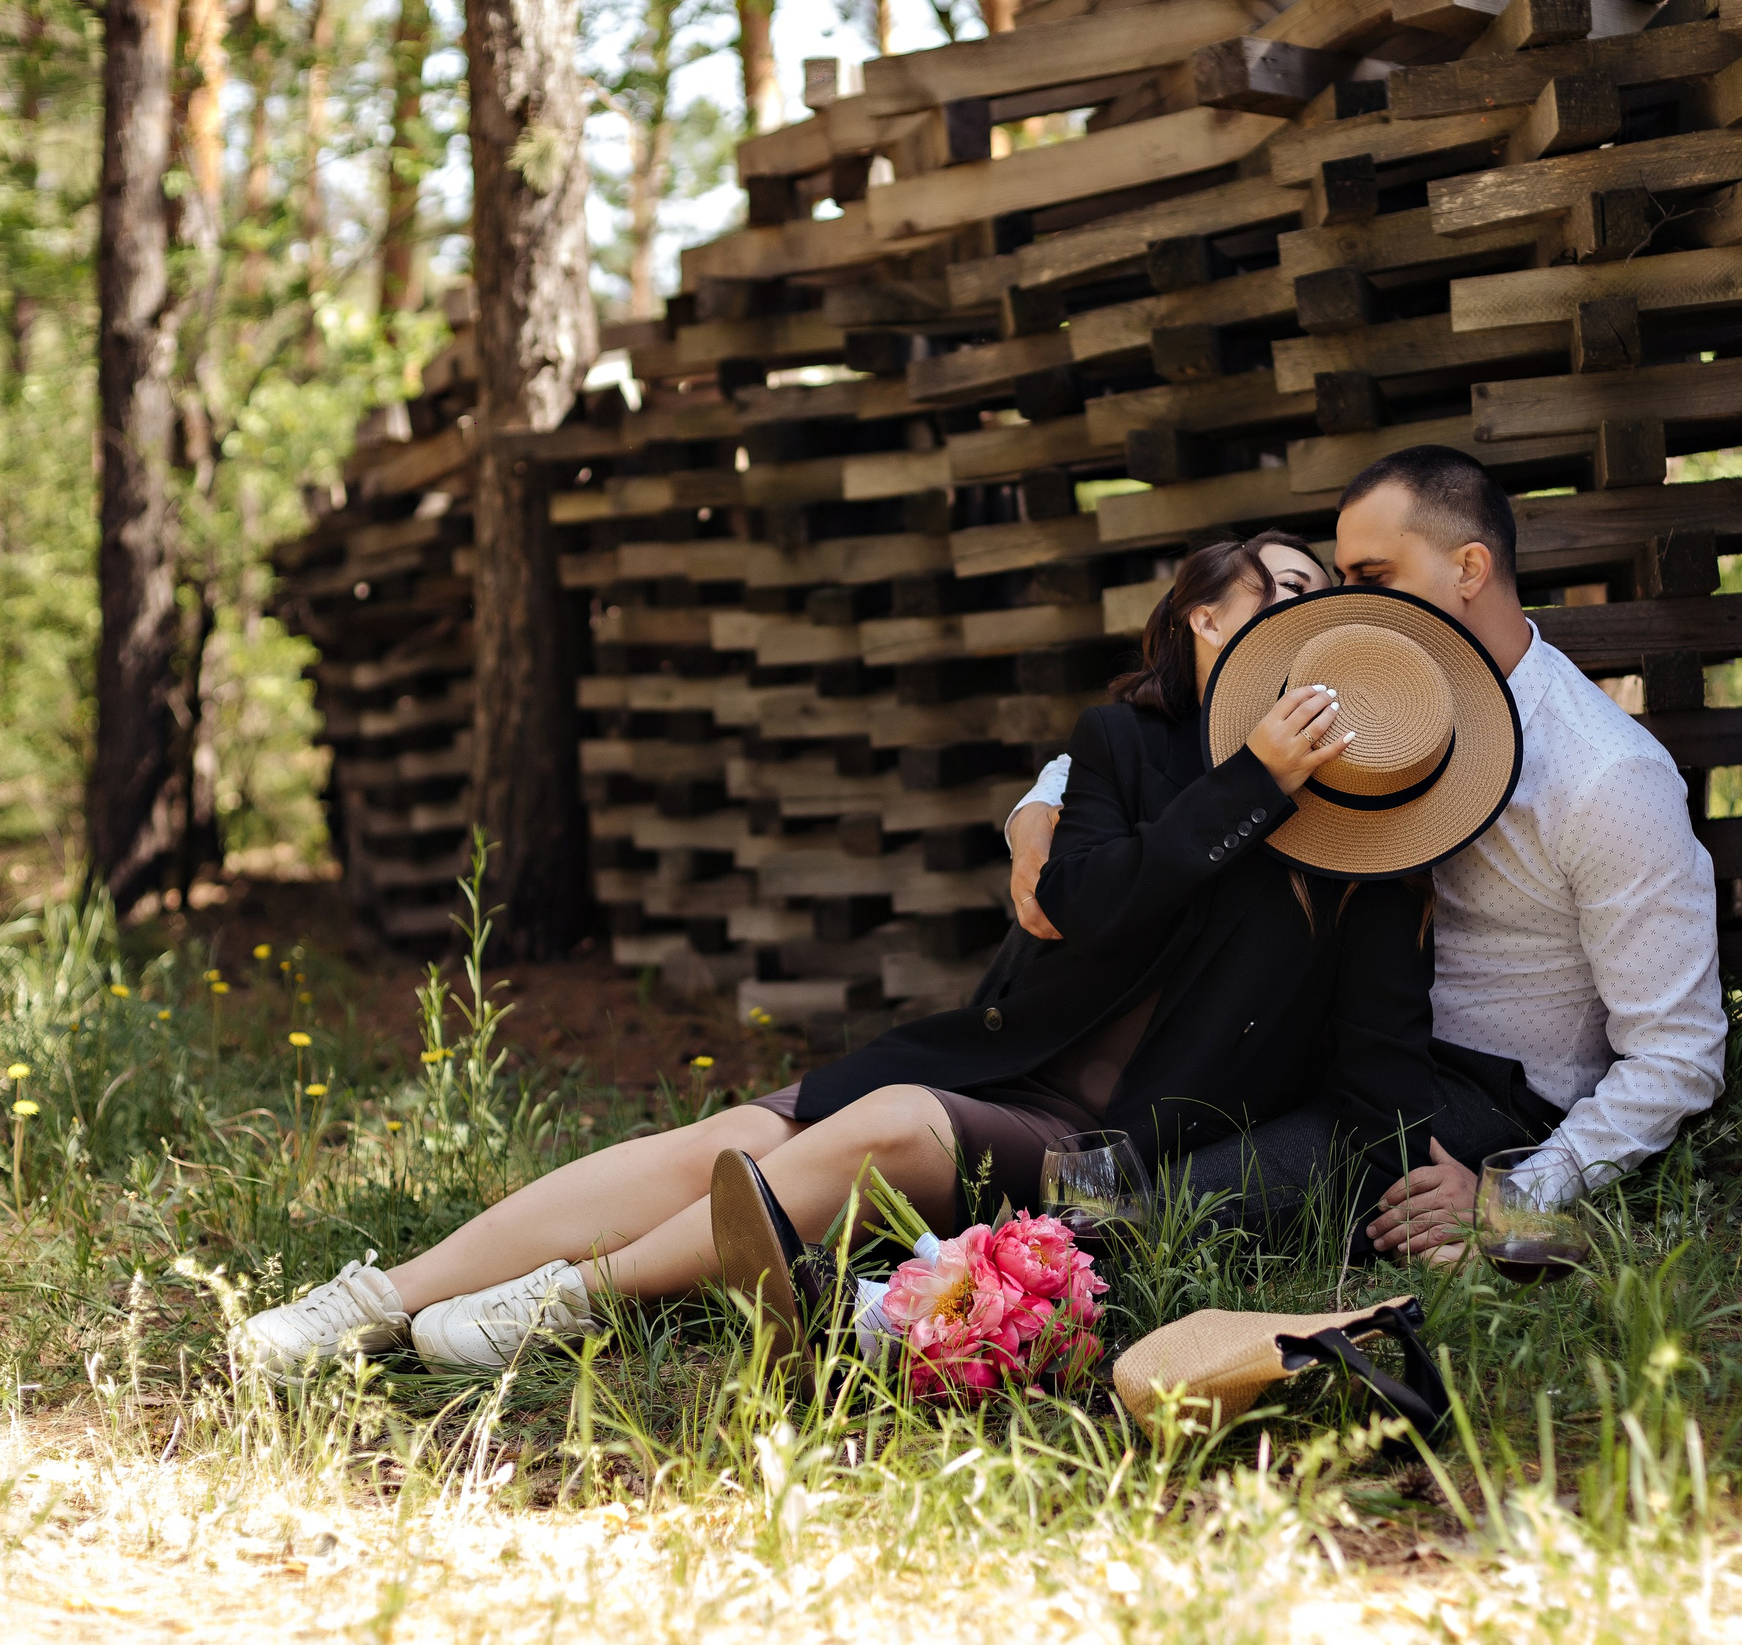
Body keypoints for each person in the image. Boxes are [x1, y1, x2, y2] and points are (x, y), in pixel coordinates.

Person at [231, 531, 1483, 1376]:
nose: (1310, 603)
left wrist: (1438, 1184)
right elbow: (1089, 905)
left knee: (884, 1126)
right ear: (1203, 619)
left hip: (1098, 1145)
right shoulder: (1121, 748)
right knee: (724, 1141)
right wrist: (1243, 781)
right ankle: (377, 1300)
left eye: (1326, 590)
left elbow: (1379, 1041)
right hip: (994, 1062)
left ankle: (570, 1299)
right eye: (1280, 584)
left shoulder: (1363, 838)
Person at [1005, 447, 1727, 1259]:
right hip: (1323, 1045)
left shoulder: (1604, 772)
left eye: (1372, 577)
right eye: (1338, 578)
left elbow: (1679, 1051)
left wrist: (1518, 1188)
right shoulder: (1363, 701)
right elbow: (1189, 735)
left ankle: (908, 1311)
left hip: (1472, 1095)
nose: (1347, 605)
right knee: (1083, 1175)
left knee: (1155, 1220)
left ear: (1469, 568)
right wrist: (1041, 799)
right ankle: (913, 1269)